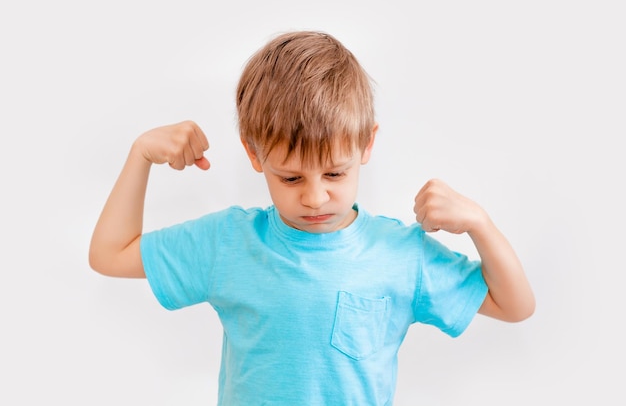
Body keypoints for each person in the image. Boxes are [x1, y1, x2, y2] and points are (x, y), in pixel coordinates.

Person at [89, 30, 535, 405]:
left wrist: (480, 223)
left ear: (367, 144)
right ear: (253, 153)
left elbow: (515, 306)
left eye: (335, 173)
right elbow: (109, 255)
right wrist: (140, 155)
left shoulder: (401, 253)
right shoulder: (228, 242)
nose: (316, 197)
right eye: (290, 178)